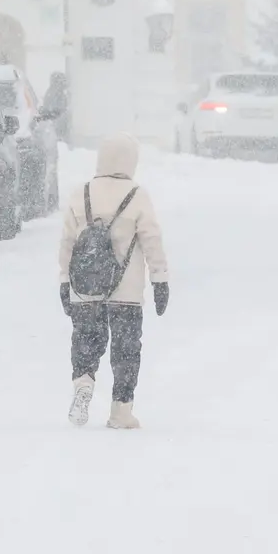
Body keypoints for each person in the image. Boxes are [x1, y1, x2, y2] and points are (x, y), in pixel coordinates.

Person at [58, 133, 169, 429]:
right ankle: (121, 410)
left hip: (86, 286)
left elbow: (68, 242)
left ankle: (83, 381)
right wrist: (160, 278)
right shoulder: (137, 195)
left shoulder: (81, 193)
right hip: (126, 291)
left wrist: (63, 281)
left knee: (86, 339)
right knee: (126, 349)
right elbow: (151, 239)